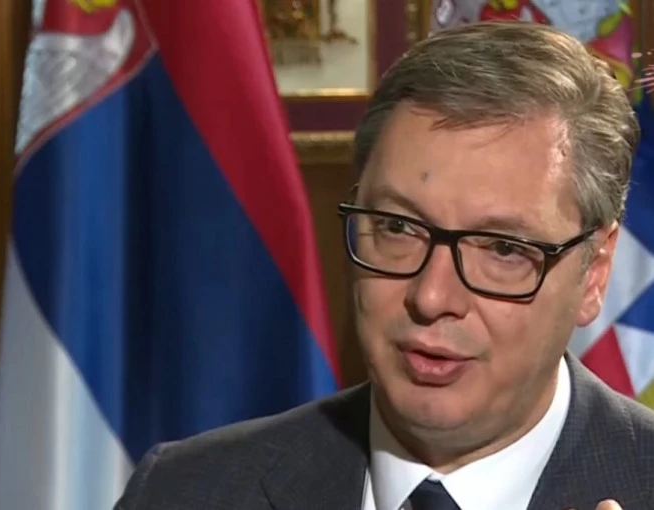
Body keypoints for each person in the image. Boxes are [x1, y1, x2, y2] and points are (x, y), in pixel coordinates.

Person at [115, 21, 654, 510]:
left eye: (502, 249)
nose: (432, 296)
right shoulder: (182, 492)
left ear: (594, 273)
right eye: (398, 228)